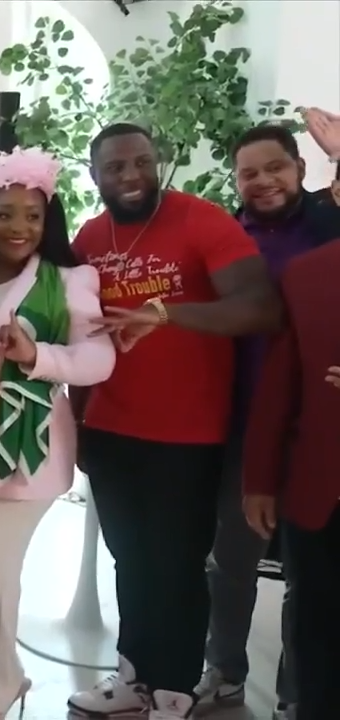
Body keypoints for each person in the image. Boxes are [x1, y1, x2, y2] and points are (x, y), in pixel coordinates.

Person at [64, 123, 280, 720]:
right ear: (95, 175)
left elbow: (259, 307)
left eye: (141, 161)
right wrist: (79, 421)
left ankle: (175, 690)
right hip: (111, 429)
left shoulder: (202, 220)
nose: (131, 175)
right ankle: (133, 676)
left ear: (157, 160)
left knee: (178, 565)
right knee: (130, 560)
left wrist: (166, 313)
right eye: (115, 167)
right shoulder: (90, 237)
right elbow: (79, 334)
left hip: (188, 433)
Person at [0, 148, 114, 719]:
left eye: (32, 216)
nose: (18, 227)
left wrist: (38, 356)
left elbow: (99, 359)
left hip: (22, 448)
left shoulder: (70, 279)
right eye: (5, 214)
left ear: (47, 220)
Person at [197, 124, 340, 720]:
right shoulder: (225, 236)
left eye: (275, 167)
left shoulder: (329, 226)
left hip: (320, 431)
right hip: (244, 421)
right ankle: (224, 673)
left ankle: (297, 694)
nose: (263, 181)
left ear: (300, 169)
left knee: (312, 578)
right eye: (248, 173)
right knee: (231, 560)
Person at [242, 237, 340, 720]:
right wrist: (259, 479)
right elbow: (280, 385)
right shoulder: (307, 273)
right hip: (319, 486)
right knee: (315, 630)